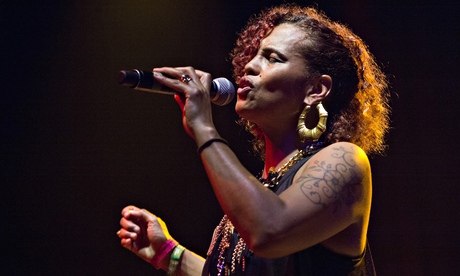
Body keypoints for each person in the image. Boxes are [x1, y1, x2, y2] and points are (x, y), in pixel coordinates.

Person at [117, 3, 390, 275]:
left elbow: (268, 231)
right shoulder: (263, 186)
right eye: (256, 54)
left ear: (316, 89)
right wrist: (169, 253)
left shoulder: (345, 162)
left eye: (273, 58)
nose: (249, 66)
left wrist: (203, 126)